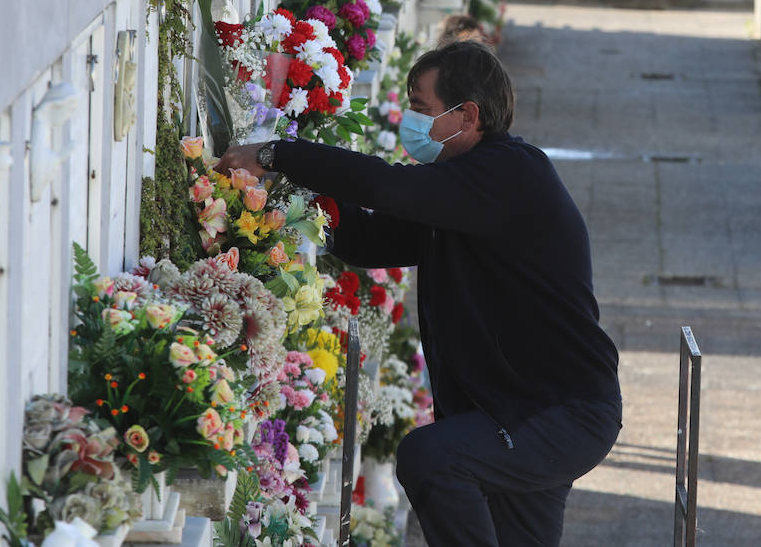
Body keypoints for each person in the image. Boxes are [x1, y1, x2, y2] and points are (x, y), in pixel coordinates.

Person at [215, 41, 622, 547]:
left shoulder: (511, 174)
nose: (411, 120)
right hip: (510, 410)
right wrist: (297, 198)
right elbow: (368, 241)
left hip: (558, 412)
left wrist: (280, 153)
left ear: (467, 115)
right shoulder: (459, 192)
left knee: (431, 459)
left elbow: (389, 189)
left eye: (423, 109)